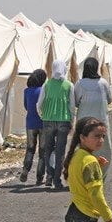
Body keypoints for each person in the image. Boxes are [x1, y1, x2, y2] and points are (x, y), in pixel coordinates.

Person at [37, 59, 75, 190]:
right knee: (60, 152)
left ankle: (49, 177)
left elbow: (39, 103)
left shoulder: (46, 85)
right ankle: (57, 180)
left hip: (47, 120)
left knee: (48, 150)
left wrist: (42, 114)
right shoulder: (69, 85)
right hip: (63, 121)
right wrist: (72, 121)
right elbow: (71, 106)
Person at [74, 57, 112, 177]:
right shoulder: (103, 83)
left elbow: (76, 102)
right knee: (103, 147)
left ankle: (85, 174)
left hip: (83, 122)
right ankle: (101, 173)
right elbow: (110, 100)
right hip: (100, 120)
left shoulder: (79, 83)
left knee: (83, 148)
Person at [20, 69, 47, 185]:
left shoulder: (27, 91)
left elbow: (26, 106)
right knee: (42, 151)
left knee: (30, 148)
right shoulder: (44, 91)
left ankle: (25, 169)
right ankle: (39, 177)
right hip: (43, 123)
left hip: (30, 123)